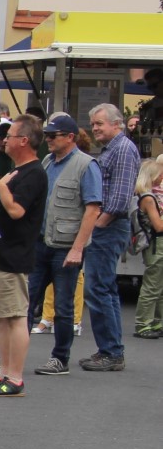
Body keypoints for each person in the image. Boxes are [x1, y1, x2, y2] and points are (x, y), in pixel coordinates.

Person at [0, 114, 49, 397]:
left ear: (24, 141)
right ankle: (3, 372)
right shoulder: (17, 170)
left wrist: (2, 187)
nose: (4, 141)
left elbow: (17, 211)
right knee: (2, 317)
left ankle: (15, 377)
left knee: (16, 316)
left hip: (15, 255)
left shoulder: (33, 173)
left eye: (10, 136)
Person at [27, 114, 101, 375]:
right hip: (41, 243)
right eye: (46, 135)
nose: (47, 139)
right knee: (26, 300)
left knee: (63, 306)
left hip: (65, 247)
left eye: (53, 135)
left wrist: (78, 248)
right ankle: (14, 355)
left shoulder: (86, 165)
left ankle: (60, 359)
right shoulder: (48, 161)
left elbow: (92, 210)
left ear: (70, 137)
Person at [78, 103, 141, 371]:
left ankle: (111, 353)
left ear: (117, 124)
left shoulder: (123, 150)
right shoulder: (114, 149)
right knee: (104, 289)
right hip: (107, 227)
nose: (94, 128)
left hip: (108, 227)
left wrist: (94, 228)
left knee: (99, 289)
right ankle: (109, 350)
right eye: (93, 124)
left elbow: (117, 201)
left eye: (99, 124)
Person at [132, 158, 163, 338]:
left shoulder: (144, 196)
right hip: (157, 244)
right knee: (152, 286)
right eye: (159, 175)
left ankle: (157, 322)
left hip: (154, 244)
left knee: (158, 286)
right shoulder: (149, 199)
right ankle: (143, 324)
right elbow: (158, 226)